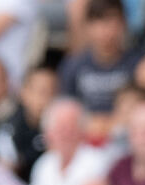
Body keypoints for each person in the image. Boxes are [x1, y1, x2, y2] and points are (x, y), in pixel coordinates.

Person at [28, 98, 110, 185]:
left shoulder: (96, 161)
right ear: (48, 133)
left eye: (71, 127)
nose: (65, 134)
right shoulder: (43, 165)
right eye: (59, 128)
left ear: (82, 131)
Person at [59, 0, 139, 137]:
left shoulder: (137, 64)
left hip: (127, 137)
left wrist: (112, 123)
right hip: (84, 139)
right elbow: (65, 108)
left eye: (112, 21)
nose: (106, 30)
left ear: (123, 23)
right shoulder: (74, 65)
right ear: (87, 26)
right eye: (99, 21)